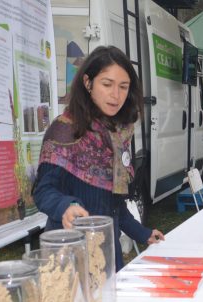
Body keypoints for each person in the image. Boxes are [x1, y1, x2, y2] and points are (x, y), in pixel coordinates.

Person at [33, 46, 164, 269]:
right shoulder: (64, 130)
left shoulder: (117, 135)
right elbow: (43, 190)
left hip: (107, 257)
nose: (116, 95)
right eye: (107, 84)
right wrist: (66, 205)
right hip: (70, 258)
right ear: (87, 83)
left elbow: (115, 208)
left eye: (124, 87)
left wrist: (143, 234)